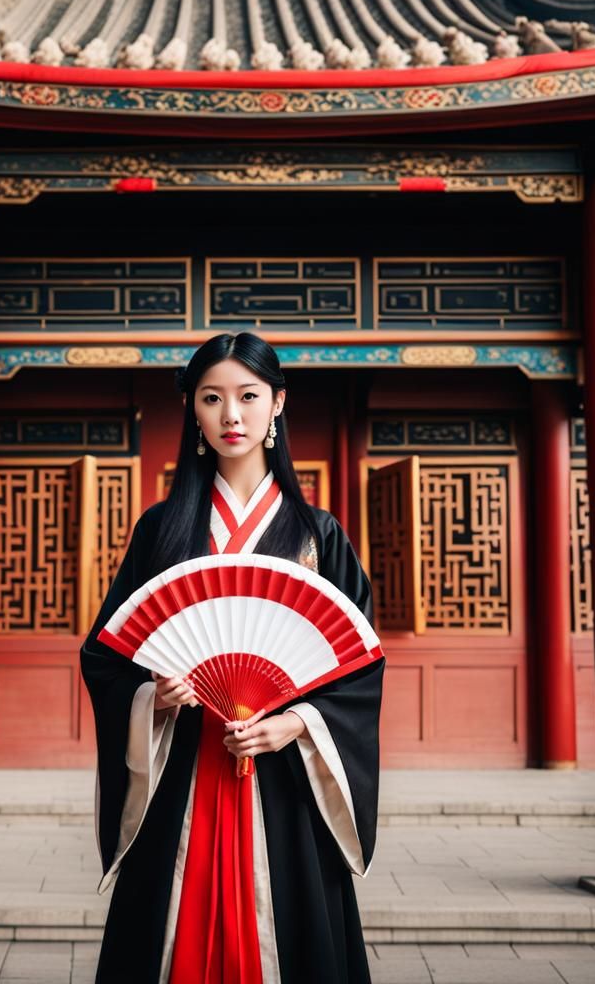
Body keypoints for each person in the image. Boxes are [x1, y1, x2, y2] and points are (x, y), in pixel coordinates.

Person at [80, 331, 384, 983]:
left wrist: (296, 723)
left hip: (286, 780)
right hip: (183, 766)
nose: (231, 415)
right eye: (211, 398)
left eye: (248, 396)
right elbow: (108, 654)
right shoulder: (161, 530)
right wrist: (152, 695)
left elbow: (358, 665)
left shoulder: (319, 535)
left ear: (278, 402)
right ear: (193, 408)